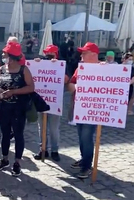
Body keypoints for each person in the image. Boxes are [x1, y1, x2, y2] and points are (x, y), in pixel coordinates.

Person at [0, 42, 34, 176]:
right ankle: (4, 159)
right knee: (4, 134)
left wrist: (13, 92)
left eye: (5, 54)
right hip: (3, 108)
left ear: (12, 56)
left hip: (18, 109)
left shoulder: (24, 70)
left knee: (18, 134)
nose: (3, 55)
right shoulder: (1, 69)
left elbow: (31, 88)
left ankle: (17, 162)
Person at [33, 45, 69, 162]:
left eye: (51, 54)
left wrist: (57, 66)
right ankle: (43, 149)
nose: (48, 57)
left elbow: (66, 80)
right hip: (41, 100)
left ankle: (54, 150)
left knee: (53, 128)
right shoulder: (41, 63)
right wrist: (36, 64)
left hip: (54, 102)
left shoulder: (62, 64)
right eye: (46, 54)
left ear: (56, 54)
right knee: (41, 127)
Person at [68, 42, 99, 179]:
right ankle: (84, 159)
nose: (81, 55)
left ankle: (87, 166)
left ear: (93, 55)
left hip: (93, 110)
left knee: (87, 137)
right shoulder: (79, 69)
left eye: (84, 53)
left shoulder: (104, 68)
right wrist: (76, 87)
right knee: (81, 136)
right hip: (79, 107)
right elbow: (70, 85)